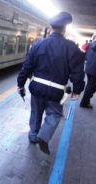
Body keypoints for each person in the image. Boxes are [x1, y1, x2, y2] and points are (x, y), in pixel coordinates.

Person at [17, 11, 85, 155]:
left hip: (36, 87)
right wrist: (77, 89)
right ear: (64, 29)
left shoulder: (38, 44)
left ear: (50, 27)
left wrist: (20, 83)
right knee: (54, 114)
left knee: (36, 112)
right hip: (56, 91)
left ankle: (33, 135)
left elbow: (27, 66)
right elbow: (77, 72)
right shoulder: (71, 47)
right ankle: (44, 135)